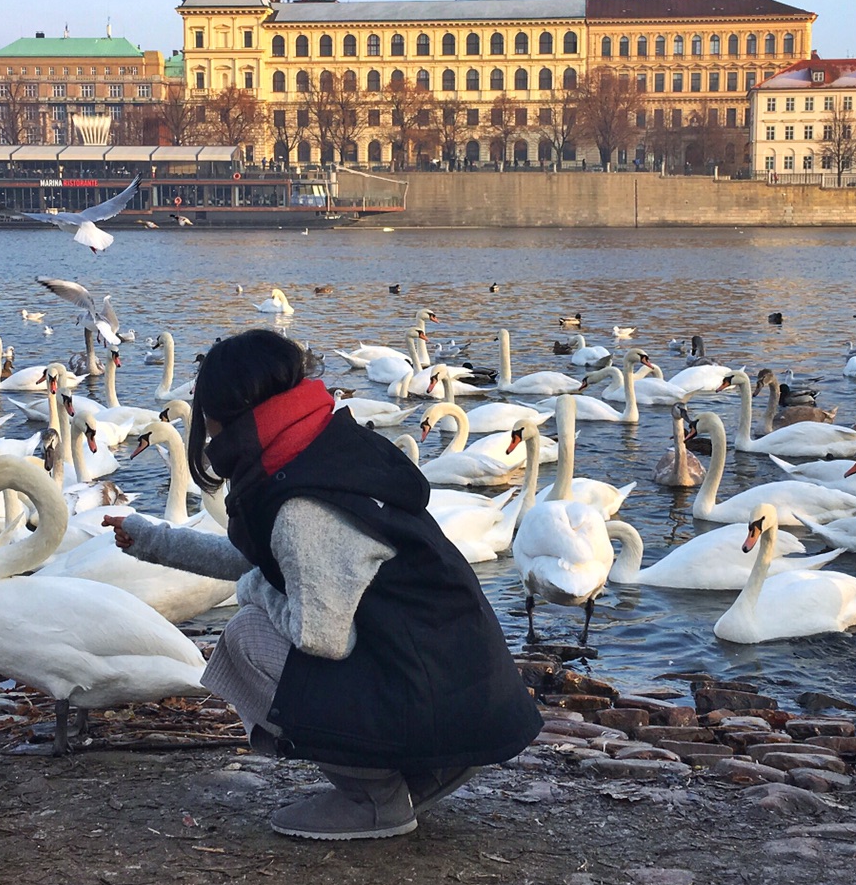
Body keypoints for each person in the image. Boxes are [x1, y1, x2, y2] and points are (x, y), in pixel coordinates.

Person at [110, 329, 541, 841]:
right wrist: (151, 540)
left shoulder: (299, 508)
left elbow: (321, 637)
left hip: (440, 699)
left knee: (246, 635)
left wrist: (251, 591)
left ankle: (375, 801)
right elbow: (270, 561)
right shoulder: (329, 449)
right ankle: (427, 770)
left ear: (220, 416)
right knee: (268, 611)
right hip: (471, 690)